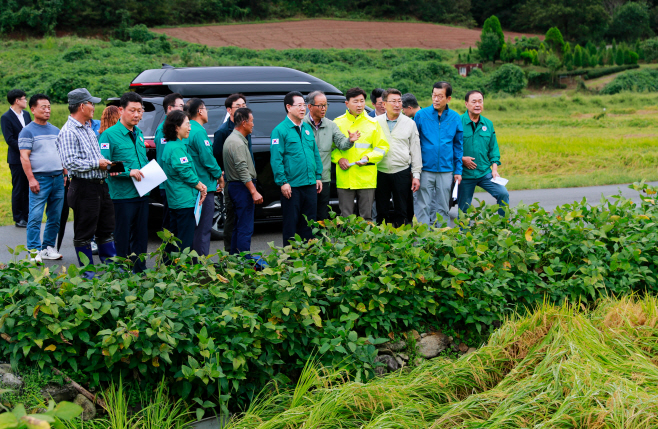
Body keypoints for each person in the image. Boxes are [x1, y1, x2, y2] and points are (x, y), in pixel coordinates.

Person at [56, 88, 117, 274]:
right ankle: (88, 274)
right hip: (83, 188)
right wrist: (97, 164)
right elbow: (70, 162)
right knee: (84, 232)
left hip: (101, 186)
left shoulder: (89, 128)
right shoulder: (68, 132)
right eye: (91, 103)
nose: (94, 107)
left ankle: (112, 270)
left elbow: (97, 156)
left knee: (106, 229)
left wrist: (108, 166)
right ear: (82, 106)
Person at [98, 92, 150, 273]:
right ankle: (122, 271)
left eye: (139, 111)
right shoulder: (109, 136)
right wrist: (129, 172)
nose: (137, 115)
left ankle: (140, 269)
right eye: (132, 111)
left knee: (141, 236)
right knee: (122, 235)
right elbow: (105, 166)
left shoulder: (140, 133)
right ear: (121, 110)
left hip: (142, 193)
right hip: (122, 195)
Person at [270, 91, 323, 244]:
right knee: (291, 223)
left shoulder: (307, 128)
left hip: (310, 184)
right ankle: (290, 259)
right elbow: (276, 159)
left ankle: (307, 257)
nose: (303, 109)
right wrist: (283, 182)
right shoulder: (280, 130)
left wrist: (318, 176)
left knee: (309, 222)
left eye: (304, 105)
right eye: (298, 105)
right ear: (288, 107)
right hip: (292, 186)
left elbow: (315, 153)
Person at [18, 94, 65, 262]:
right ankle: (33, 250)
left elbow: (62, 153)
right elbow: (24, 157)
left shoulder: (55, 130)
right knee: (36, 215)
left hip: (58, 178)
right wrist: (31, 179)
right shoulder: (27, 131)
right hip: (40, 179)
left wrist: (65, 173)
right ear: (33, 109)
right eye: (43, 107)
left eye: (49, 107)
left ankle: (48, 247)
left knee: (55, 216)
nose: (47, 110)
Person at [332, 87, 389, 221]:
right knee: (346, 217)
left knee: (366, 217)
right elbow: (330, 148)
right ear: (347, 104)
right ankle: (346, 242)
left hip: (366, 177)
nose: (359, 105)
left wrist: (368, 157)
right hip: (345, 177)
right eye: (355, 101)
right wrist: (339, 159)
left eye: (362, 101)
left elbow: (382, 147)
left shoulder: (373, 123)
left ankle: (365, 242)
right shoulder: (337, 123)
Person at [304, 91, 358, 221]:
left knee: (322, 214)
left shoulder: (330, 125)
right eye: (320, 105)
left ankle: (321, 241)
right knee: (306, 213)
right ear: (310, 106)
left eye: (325, 105)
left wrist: (350, 141)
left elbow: (341, 143)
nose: (324, 109)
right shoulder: (301, 124)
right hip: (305, 177)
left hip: (323, 177)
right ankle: (306, 240)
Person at [414, 81, 463, 226]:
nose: (436, 99)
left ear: (448, 99)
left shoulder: (455, 118)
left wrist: (458, 170)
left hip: (446, 169)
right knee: (423, 204)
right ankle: (424, 237)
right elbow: (414, 144)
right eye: (434, 95)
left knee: (442, 206)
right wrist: (415, 170)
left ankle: (441, 238)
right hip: (425, 168)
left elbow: (458, 146)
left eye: (440, 96)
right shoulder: (421, 115)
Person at [161, 110, 208, 257]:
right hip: (184, 200)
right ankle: (182, 271)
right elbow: (185, 172)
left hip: (177, 199)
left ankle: (168, 268)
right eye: (187, 124)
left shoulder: (172, 145)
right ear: (176, 127)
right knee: (184, 241)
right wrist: (201, 186)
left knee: (174, 238)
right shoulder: (176, 148)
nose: (190, 128)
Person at [375, 89, 421, 227]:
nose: (397, 104)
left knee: (403, 210)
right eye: (393, 101)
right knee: (381, 210)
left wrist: (416, 175)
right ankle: (382, 241)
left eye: (399, 101)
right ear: (384, 104)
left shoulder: (409, 123)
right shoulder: (375, 122)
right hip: (380, 171)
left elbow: (415, 150)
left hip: (401, 171)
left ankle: (404, 241)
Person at [458, 90, 509, 217]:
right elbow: (449, 147)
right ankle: (464, 233)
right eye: (474, 101)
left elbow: (493, 149)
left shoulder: (488, 124)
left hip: (484, 171)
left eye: (480, 101)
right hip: (465, 174)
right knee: (464, 208)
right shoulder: (457, 122)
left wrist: (494, 169)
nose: (477, 104)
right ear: (466, 104)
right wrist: (462, 159)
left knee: (503, 194)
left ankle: (503, 226)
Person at [213, 93, 253, 252]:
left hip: (246, 178)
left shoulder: (246, 128)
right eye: (239, 106)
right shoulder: (223, 131)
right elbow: (217, 157)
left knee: (243, 218)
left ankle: (240, 252)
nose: (243, 108)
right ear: (229, 110)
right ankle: (230, 252)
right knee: (232, 216)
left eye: (244, 105)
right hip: (231, 180)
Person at [223, 108, 263, 257]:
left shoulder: (233, 139)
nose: (253, 124)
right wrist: (253, 191)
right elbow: (242, 169)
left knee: (237, 225)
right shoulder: (237, 142)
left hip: (235, 186)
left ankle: (235, 257)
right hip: (241, 187)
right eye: (251, 121)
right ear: (244, 122)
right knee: (245, 227)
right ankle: (244, 260)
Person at [186, 98, 223, 256]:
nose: (207, 112)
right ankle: (200, 265)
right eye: (206, 109)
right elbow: (207, 158)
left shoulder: (186, 129)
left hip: (191, 185)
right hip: (204, 186)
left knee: (193, 228)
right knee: (203, 229)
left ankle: (191, 262)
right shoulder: (199, 131)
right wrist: (219, 175)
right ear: (200, 111)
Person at [154, 93, 185, 232]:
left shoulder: (174, 127)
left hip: (175, 183)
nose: (183, 110)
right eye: (181, 107)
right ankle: (168, 253)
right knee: (170, 224)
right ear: (170, 108)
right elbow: (163, 159)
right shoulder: (164, 130)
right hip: (168, 183)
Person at [1, 89, 32, 228]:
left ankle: (27, 216)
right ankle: (18, 217)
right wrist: (24, 149)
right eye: (24, 98)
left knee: (28, 187)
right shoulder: (6, 117)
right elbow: (10, 139)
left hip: (30, 157)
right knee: (19, 188)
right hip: (16, 158)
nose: (26, 101)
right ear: (17, 100)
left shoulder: (26, 114)